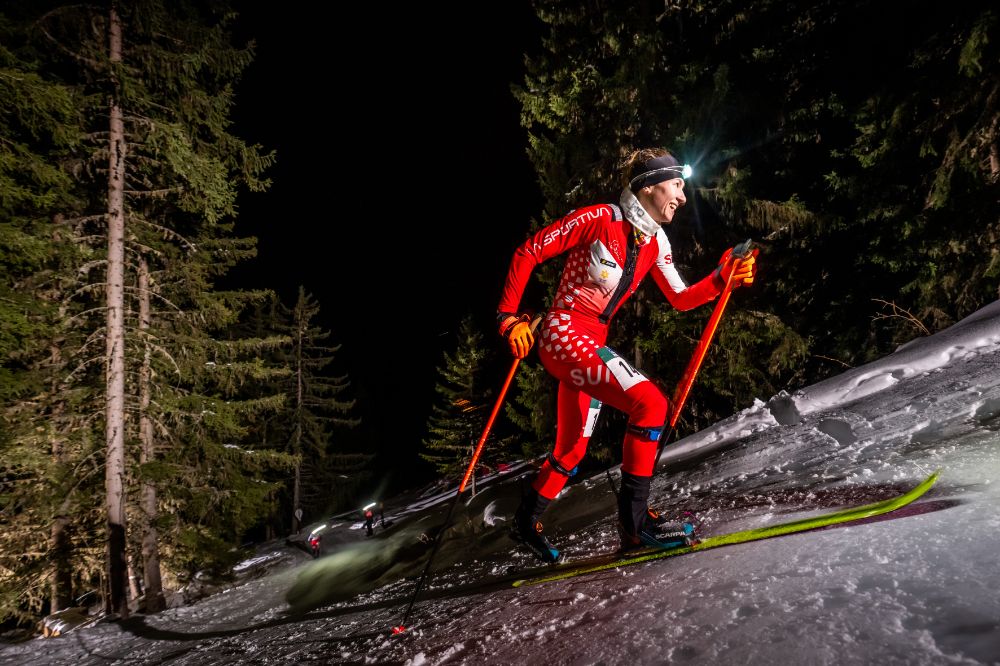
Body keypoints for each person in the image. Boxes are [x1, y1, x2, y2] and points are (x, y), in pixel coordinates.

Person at [497, 148, 757, 562]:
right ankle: (636, 527)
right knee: (650, 402)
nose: (682, 197)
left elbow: (682, 297)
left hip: (591, 340)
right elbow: (529, 250)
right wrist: (509, 318)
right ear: (648, 186)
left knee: (571, 450)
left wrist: (721, 277)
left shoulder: (656, 241)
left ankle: (525, 522)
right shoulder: (602, 218)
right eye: (676, 186)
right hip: (563, 332)